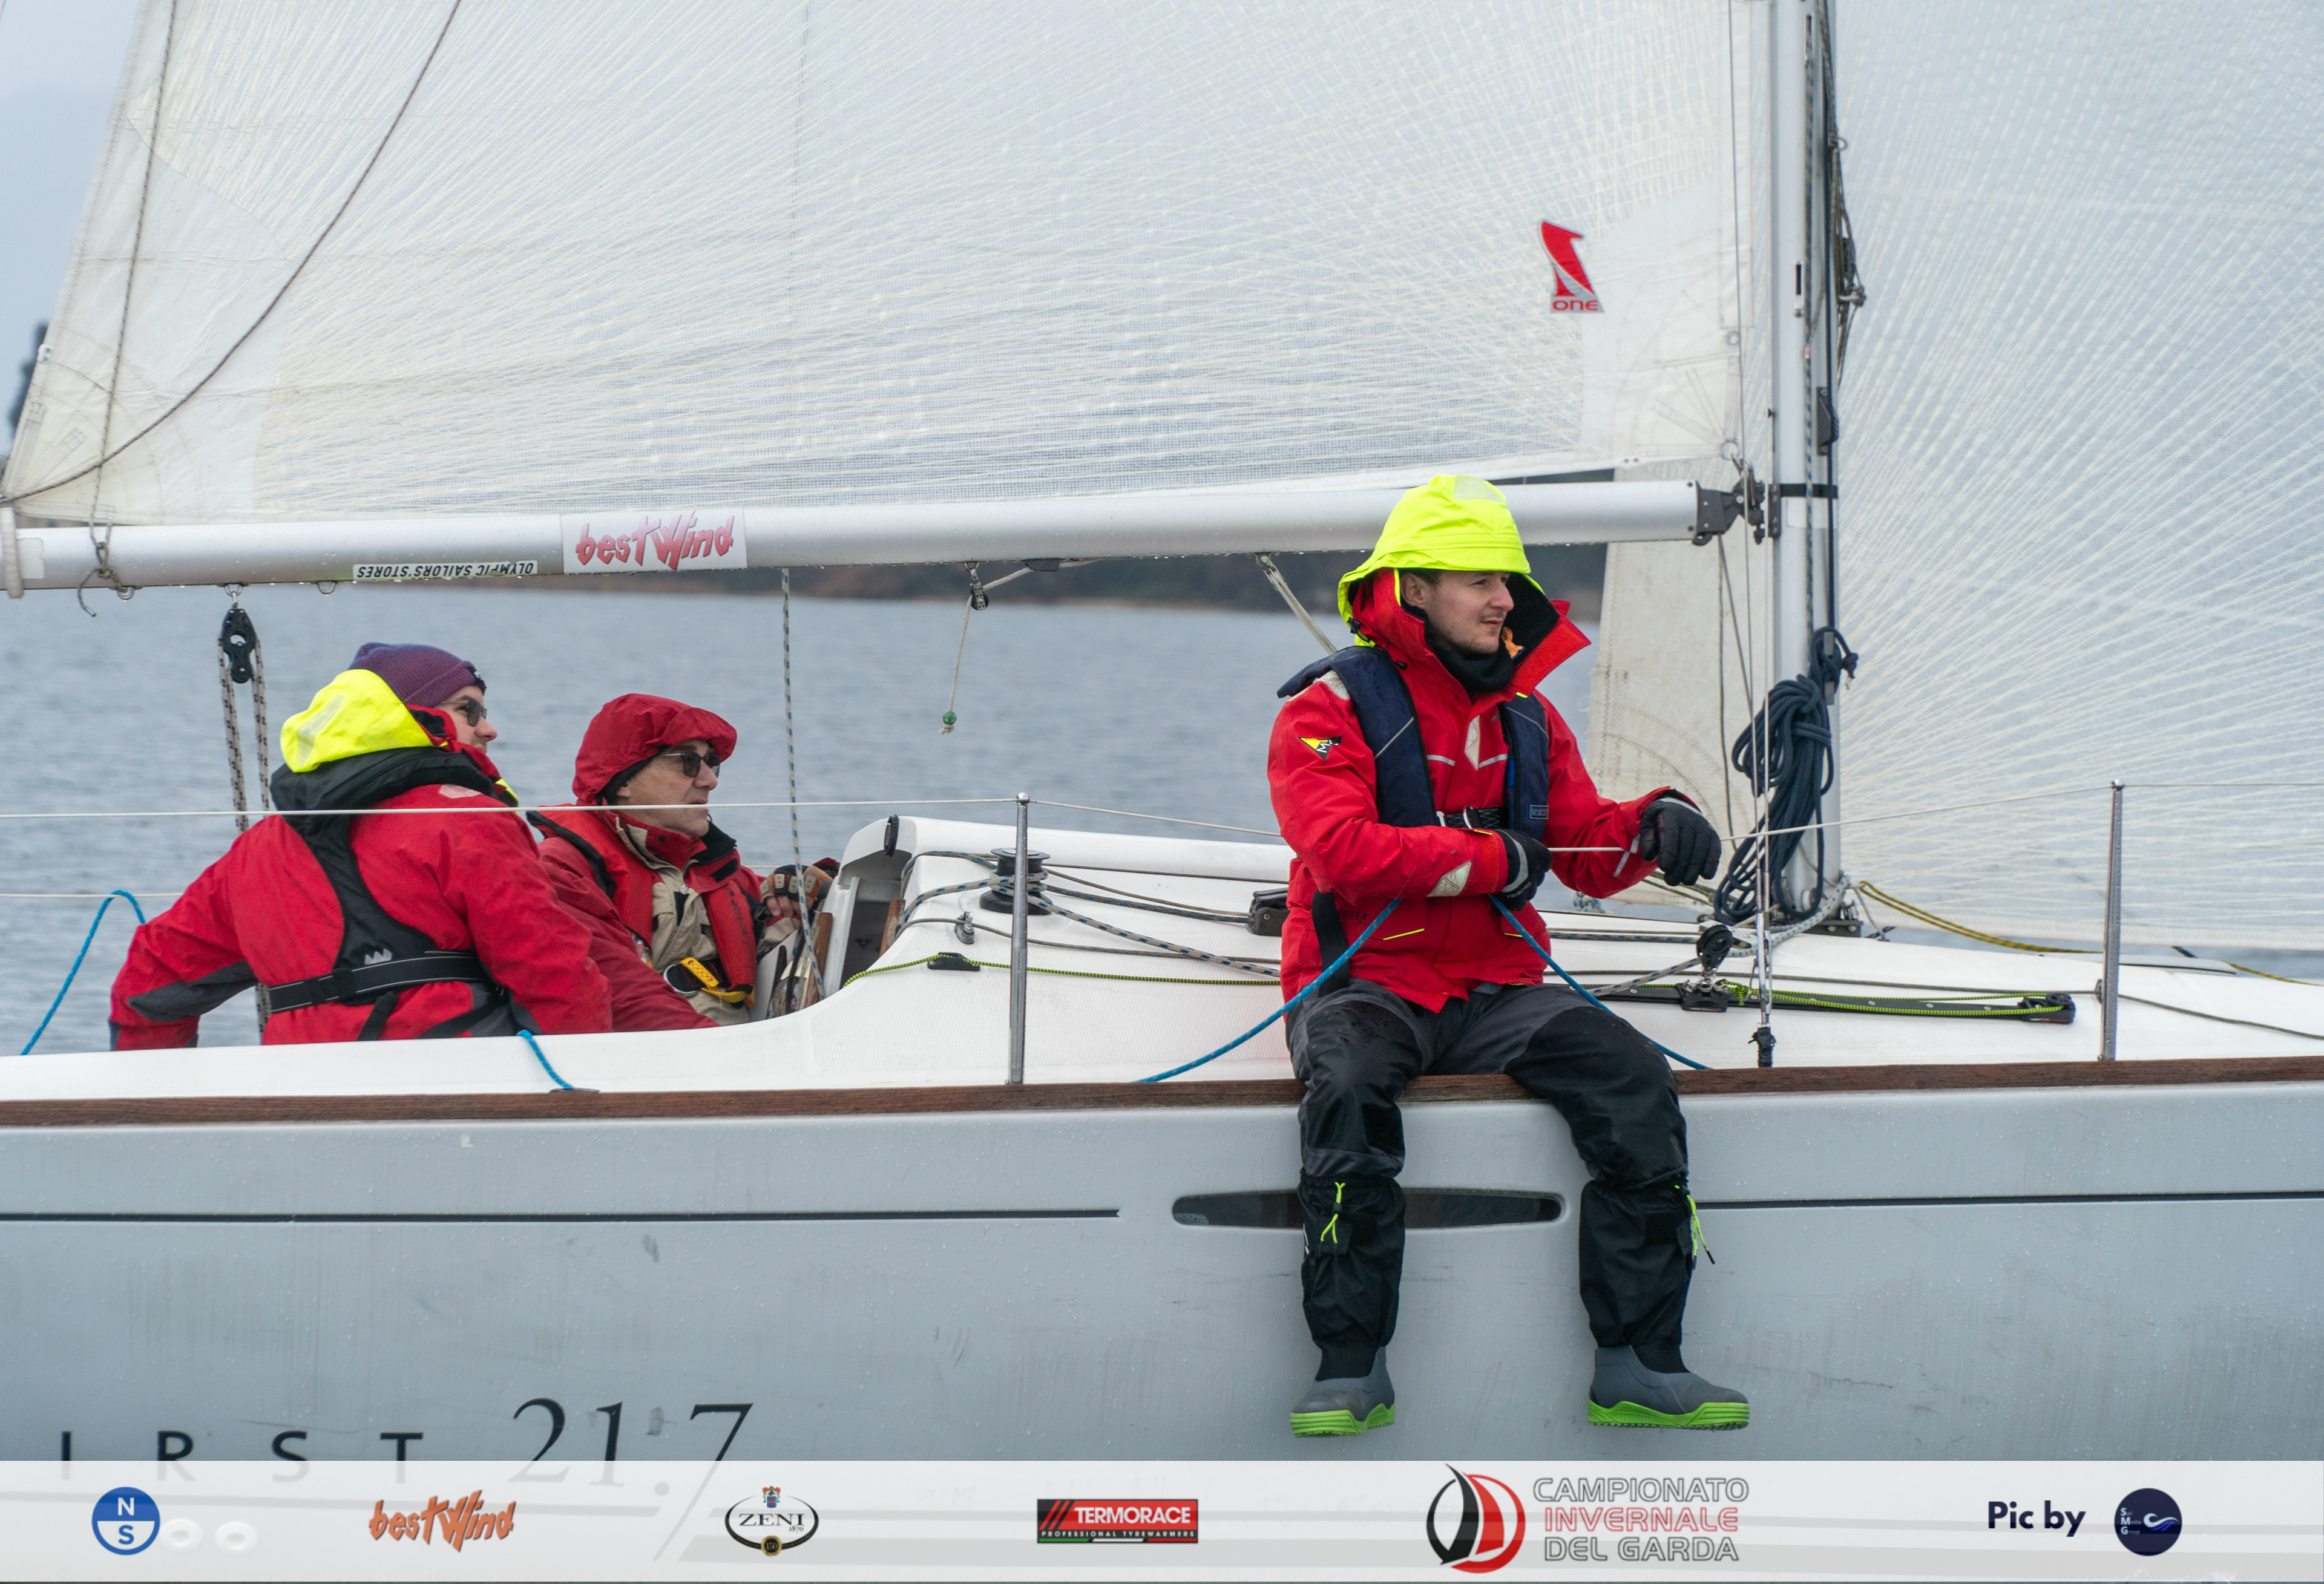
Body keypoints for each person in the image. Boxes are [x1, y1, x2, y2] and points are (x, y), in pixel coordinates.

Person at [1267, 474, 1741, 1437]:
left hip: (1498, 986)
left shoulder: (1529, 716)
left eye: (1507, 583)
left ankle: (1640, 1364)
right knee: (1348, 1092)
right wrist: (1491, 856)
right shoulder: (1325, 709)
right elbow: (1342, 850)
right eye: (1482, 580)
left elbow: (1587, 852)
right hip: (1368, 982)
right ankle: (1349, 1367)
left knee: (1635, 1080)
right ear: (1412, 590)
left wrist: (1658, 822)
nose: (1505, 601)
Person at [110, 643, 611, 1047]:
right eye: (469, 709)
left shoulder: (256, 850)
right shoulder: (466, 817)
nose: (489, 728)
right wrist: (586, 1100)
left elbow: (148, 985)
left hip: (302, 1105)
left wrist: (159, 1103)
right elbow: (553, 974)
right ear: (409, 716)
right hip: (454, 1091)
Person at [530, 695, 830, 1031]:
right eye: (688, 762)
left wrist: (807, 888)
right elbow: (621, 994)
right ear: (624, 780)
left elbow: (773, 909)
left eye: (711, 763)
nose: (709, 781)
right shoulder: (563, 870)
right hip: (665, 1065)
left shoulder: (712, 870)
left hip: (733, 1056)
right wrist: (732, 1058)